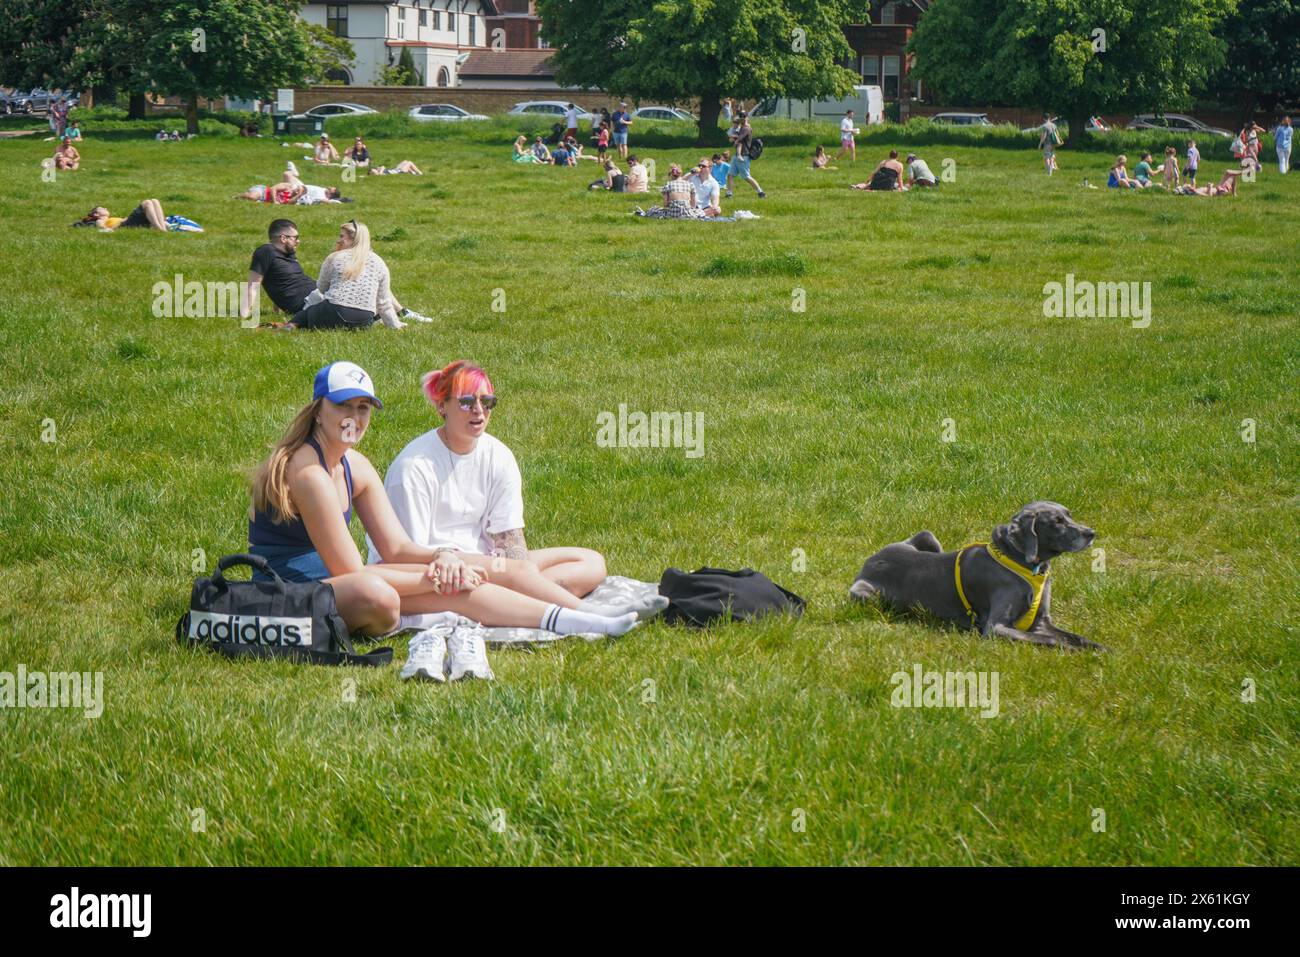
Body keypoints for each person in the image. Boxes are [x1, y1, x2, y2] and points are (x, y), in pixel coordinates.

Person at [248, 363, 645, 684]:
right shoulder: (309, 472)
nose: (355, 417)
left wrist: (445, 556)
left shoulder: (355, 465)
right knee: (383, 594)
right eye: (344, 406)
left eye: (363, 408)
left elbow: (397, 549)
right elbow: (350, 572)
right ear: (318, 409)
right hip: (292, 592)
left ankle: (583, 620)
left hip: (348, 584)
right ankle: (574, 616)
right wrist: (440, 576)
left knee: (468, 574)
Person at [366, 359, 661, 676]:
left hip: (481, 560)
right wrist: (501, 570)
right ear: (442, 406)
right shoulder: (414, 466)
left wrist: (512, 571)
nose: (478, 411)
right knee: (517, 573)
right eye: (466, 402)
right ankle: (590, 615)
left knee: (590, 562)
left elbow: (510, 542)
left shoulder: (497, 455)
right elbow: (404, 556)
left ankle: (508, 602)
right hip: (427, 573)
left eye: (487, 402)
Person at [243, 219, 430, 325]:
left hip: (317, 294)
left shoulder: (287, 254)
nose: (299, 241)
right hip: (313, 301)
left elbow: (284, 281)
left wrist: (277, 306)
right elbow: (254, 284)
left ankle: (399, 313)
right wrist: (244, 313)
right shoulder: (265, 252)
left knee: (367, 273)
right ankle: (391, 315)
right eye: (296, 238)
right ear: (283, 238)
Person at [279, 220, 392, 331]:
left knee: (308, 312)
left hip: (334, 312)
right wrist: (395, 326)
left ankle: (290, 326)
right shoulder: (379, 262)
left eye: (342, 236)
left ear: (353, 239)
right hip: (364, 319)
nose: (339, 240)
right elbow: (384, 303)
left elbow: (322, 288)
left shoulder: (336, 257)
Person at [638, 164, 705, 219]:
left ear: (671, 175)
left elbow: (665, 205)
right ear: (680, 174)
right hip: (688, 214)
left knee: (653, 209)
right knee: (701, 211)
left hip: (672, 214)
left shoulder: (668, 185)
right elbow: (693, 204)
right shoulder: (690, 184)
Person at [730, 111, 765, 198]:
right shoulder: (741, 127)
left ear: (747, 118)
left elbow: (740, 138)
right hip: (737, 155)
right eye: (741, 117)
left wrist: (735, 140)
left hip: (744, 156)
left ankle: (760, 192)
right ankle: (729, 193)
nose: (743, 119)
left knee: (746, 177)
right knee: (730, 175)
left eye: (744, 117)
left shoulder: (746, 128)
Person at [74, 200, 168, 231]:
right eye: (102, 208)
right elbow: (106, 229)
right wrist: (120, 223)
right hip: (124, 225)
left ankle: (162, 227)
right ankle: (159, 228)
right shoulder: (100, 221)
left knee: (155, 201)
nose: (106, 208)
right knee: (147, 202)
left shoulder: (110, 218)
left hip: (127, 222)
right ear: (96, 214)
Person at [1175, 167, 1242, 196]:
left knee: (1231, 175)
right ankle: (1245, 172)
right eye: (1187, 186)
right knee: (1229, 173)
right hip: (1220, 191)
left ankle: (1234, 194)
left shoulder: (1196, 191)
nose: (1189, 184)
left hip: (1218, 188)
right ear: (1188, 189)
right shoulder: (1196, 192)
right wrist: (1210, 187)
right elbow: (1209, 196)